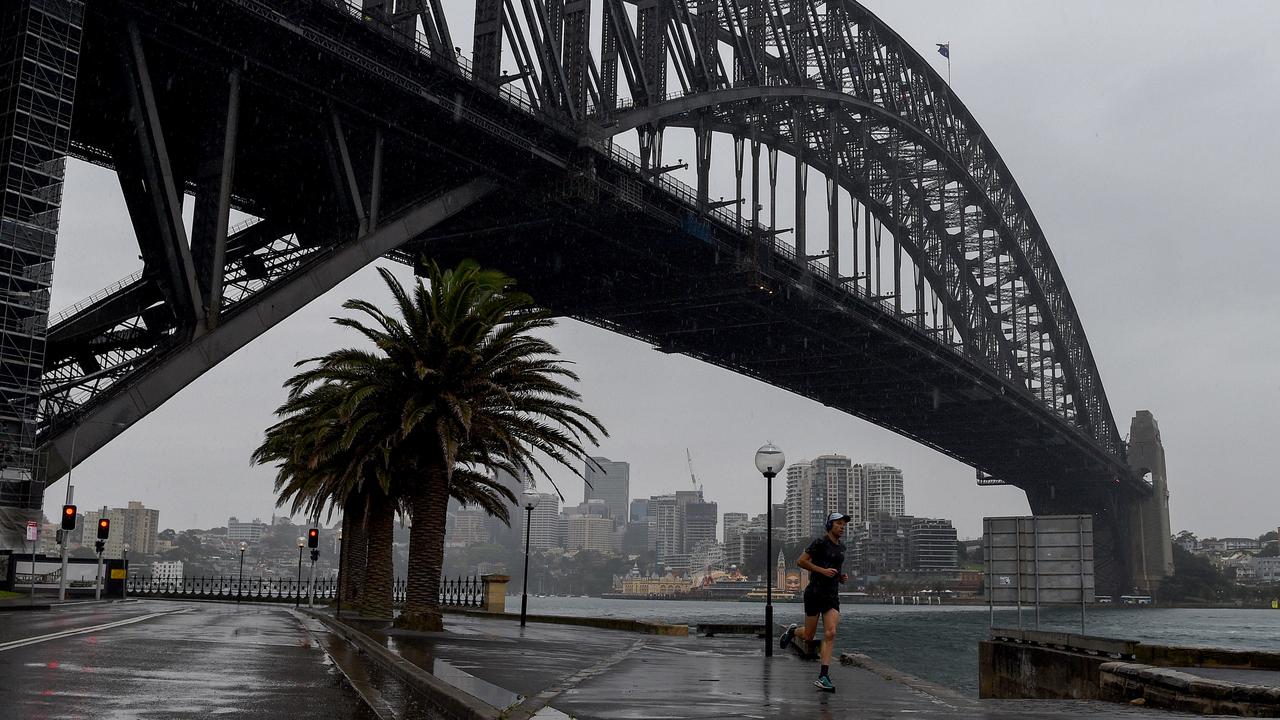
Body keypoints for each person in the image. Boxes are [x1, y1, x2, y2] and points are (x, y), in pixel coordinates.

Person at [780, 512, 850, 692]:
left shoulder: (842, 547)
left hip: (832, 595)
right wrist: (822, 570)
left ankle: (823, 676)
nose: (842, 527)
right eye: (838, 524)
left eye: (844, 524)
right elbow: (801, 561)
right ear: (830, 525)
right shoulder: (819, 543)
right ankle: (793, 630)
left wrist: (840, 577)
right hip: (814, 592)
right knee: (808, 636)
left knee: (831, 632)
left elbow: (835, 569)